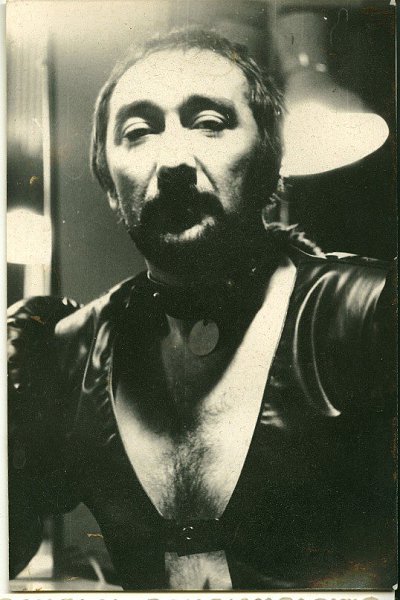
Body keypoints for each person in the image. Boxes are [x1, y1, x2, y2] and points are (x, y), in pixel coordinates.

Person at [8, 28, 396, 591]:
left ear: (270, 163)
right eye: (138, 132)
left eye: (210, 123)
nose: (174, 160)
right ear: (110, 186)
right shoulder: (65, 354)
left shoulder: (371, 317)